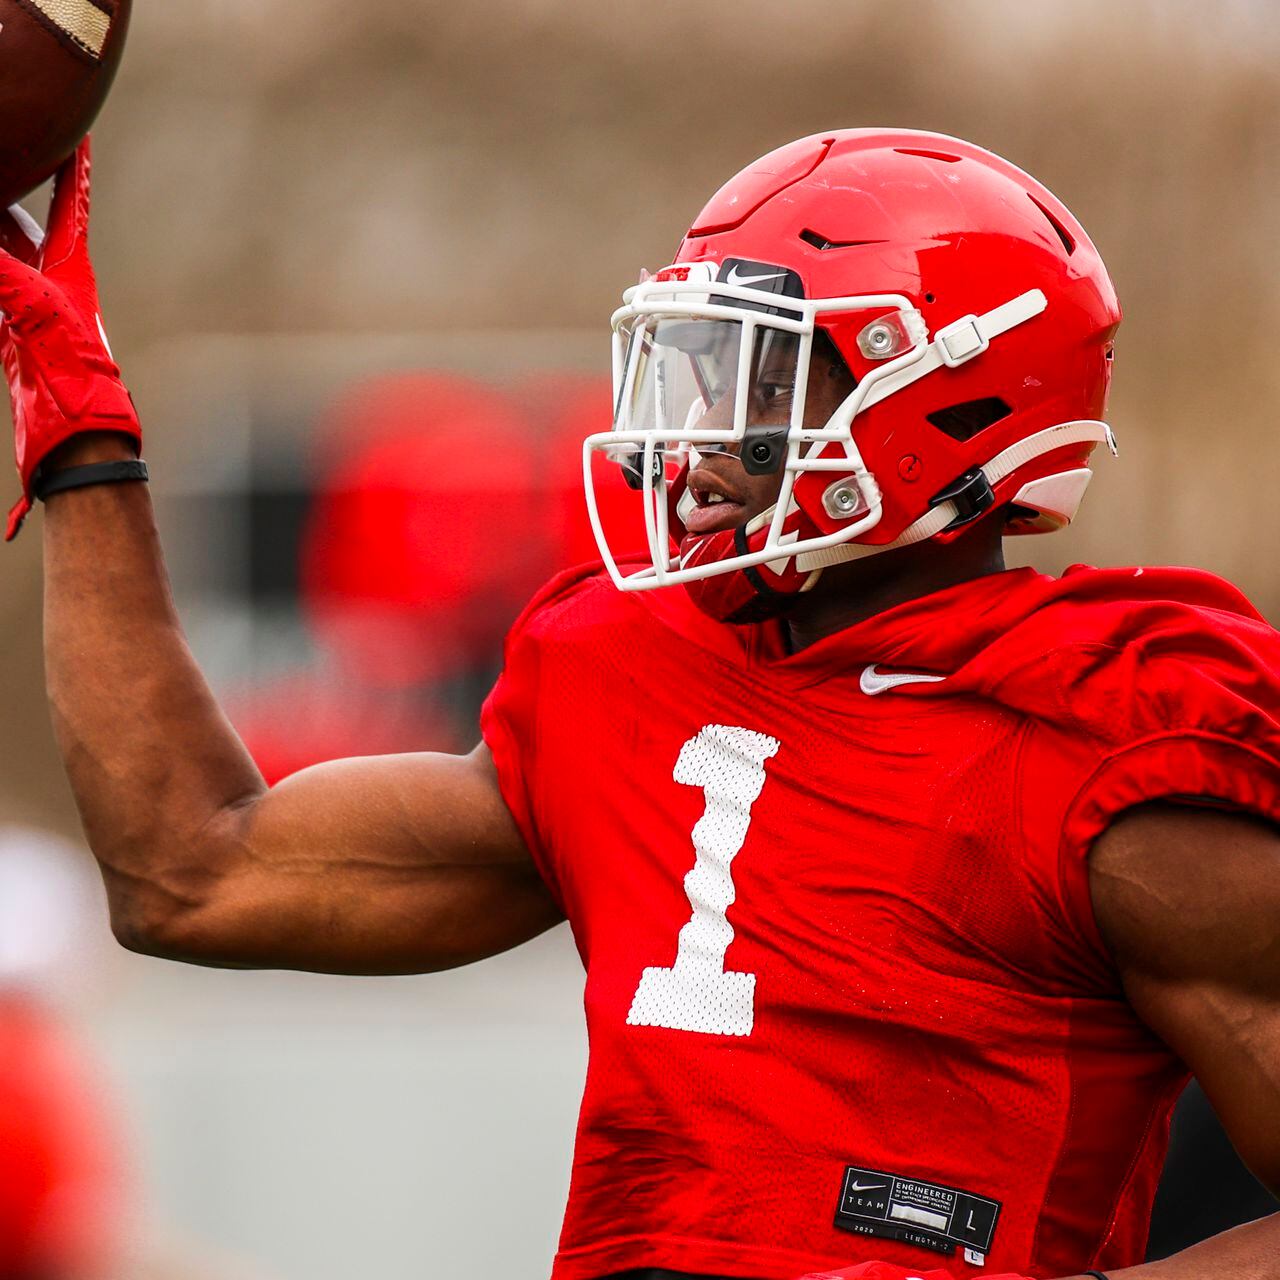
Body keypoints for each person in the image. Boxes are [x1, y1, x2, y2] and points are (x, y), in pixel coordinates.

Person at [2, 129, 1277, 1280]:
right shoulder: (627, 670)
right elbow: (192, 869)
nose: (703, 438)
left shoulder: (1113, 726)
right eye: (702, 370)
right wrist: (84, 439)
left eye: (767, 384)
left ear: (944, 397)